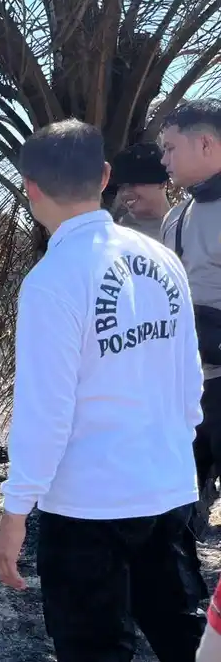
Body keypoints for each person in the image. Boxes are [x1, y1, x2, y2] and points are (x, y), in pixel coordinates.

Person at [0, 118, 206, 661]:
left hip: (89, 506)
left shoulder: (52, 279)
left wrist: (15, 513)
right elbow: (189, 378)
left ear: (29, 187)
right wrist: (177, 454)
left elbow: (46, 411)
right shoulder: (162, 260)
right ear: (106, 175)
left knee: (94, 648)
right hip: (168, 489)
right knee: (185, 636)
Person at [160, 98, 221, 530]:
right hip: (187, 391)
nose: (163, 159)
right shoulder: (175, 218)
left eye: (169, 148)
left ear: (204, 143)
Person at [109, 142, 172, 239]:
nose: (125, 193)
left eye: (133, 184)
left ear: (161, 183)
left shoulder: (181, 231)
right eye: (121, 186)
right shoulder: (113, 232)